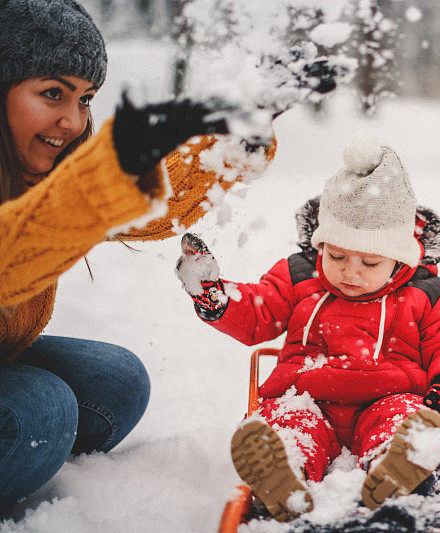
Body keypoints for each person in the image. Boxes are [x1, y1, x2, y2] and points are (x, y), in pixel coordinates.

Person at [0, 0, 281, 511]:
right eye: (52, 93)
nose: (71, 120)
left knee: (117, 380)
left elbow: (141, 207)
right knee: (45, 411)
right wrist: (96, 184)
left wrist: (227, 147)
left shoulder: (33, 175)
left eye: (85, 99)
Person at [175, 136, 440, 521]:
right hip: (308, 398)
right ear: (321, 245)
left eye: (370, 263)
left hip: (387, 398)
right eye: (336, 255)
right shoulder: (300, 276)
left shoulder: (428, 293)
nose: (351, 271)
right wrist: (217, 298)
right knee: (286, 421)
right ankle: (283, 474)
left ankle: (401, 469)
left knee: (404, 420)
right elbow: (257, 313)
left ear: (399, 256)